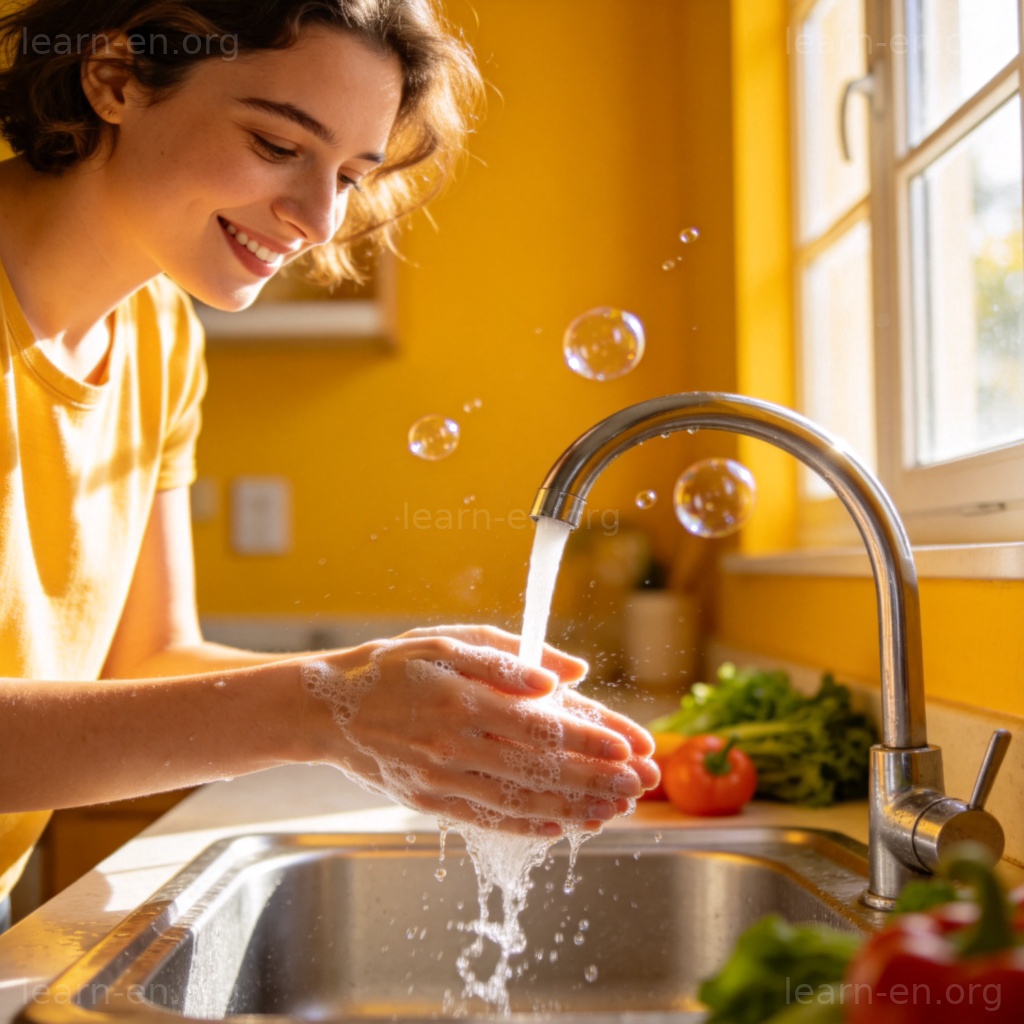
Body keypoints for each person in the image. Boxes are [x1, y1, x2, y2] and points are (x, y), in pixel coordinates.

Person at [0, 0, 658, 923]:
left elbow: (144, 658)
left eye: (352, 173)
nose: (316, 218)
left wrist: (374, 679)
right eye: (277, 145)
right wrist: (323, 709)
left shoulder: (159, 337)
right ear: (115, 79)